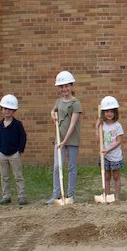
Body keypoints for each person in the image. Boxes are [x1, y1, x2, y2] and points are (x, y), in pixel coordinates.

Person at [48, 70, 82, 205]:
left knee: (71, 167)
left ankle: (70, 195)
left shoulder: (76, 103)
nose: (64, 89)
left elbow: (72, 125)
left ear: (71, 86)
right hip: (59, 138)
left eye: (67, 86)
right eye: (61, 86)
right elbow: (54, 110)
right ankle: (56, 195)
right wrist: (52, 114)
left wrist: (64, 142)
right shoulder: (58, 101)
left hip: (71, 139)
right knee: (57, 167)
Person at [0, 94, 26, 205]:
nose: (7, 111)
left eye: (10, 109)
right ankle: (6, 196)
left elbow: (23, 138)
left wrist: (19, 150)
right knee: (4, 177)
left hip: (14, 154)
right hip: (2, 154)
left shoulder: (17, 125)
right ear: (2, 109)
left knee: (18, 176)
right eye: (5, 108)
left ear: (14, 110)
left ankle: (21, 196)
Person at [97, 96, 124, 201]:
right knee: (106, 177)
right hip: (104, 156)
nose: (109, 114)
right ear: (103, 113)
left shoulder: (117, 126)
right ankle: (107, 196)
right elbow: (98, 139)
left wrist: (108, 150)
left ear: (115, 113)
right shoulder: (102, 125)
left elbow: (119, 140)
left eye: (111, 111)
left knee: (116, 177)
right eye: (107, 111)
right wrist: (96, 127)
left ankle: (117, 197)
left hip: (115, 155)